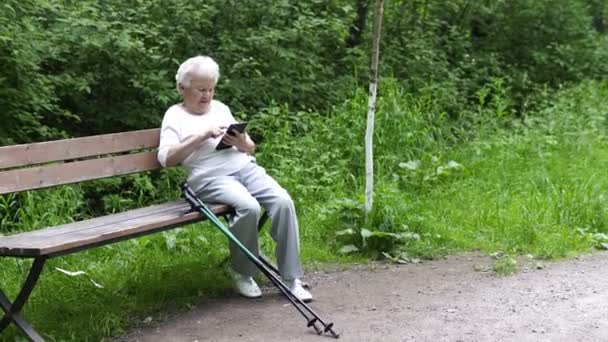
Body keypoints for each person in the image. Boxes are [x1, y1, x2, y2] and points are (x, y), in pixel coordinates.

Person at [157, 55, 312, 302]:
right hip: (210, 178)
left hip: (244, 168)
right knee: (248, 207)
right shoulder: (174, 115)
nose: (207, 95)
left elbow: (249, 147)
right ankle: (243, 273)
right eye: (200, 90)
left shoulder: (221, 108)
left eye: (210, 89)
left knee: (283, 201)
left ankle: (291, 278)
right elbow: (166, 159)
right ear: (182, 88)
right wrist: (201, 135)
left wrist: (242, 142)